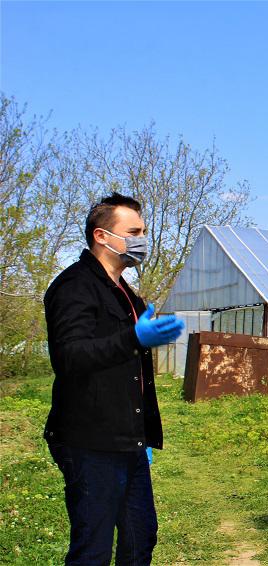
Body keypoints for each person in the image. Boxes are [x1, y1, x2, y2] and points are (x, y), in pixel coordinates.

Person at [44, 192, 184, 565]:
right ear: (102, 236)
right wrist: (133, 338)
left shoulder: (127, 294)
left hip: (128, 439)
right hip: (90, 440)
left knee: (141, 536)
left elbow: (130, 370)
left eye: (144, 232)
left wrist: (143, 432)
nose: (143, 240)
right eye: (134, 232)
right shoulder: (74, 287)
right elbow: (70, 357)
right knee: (93, 547)